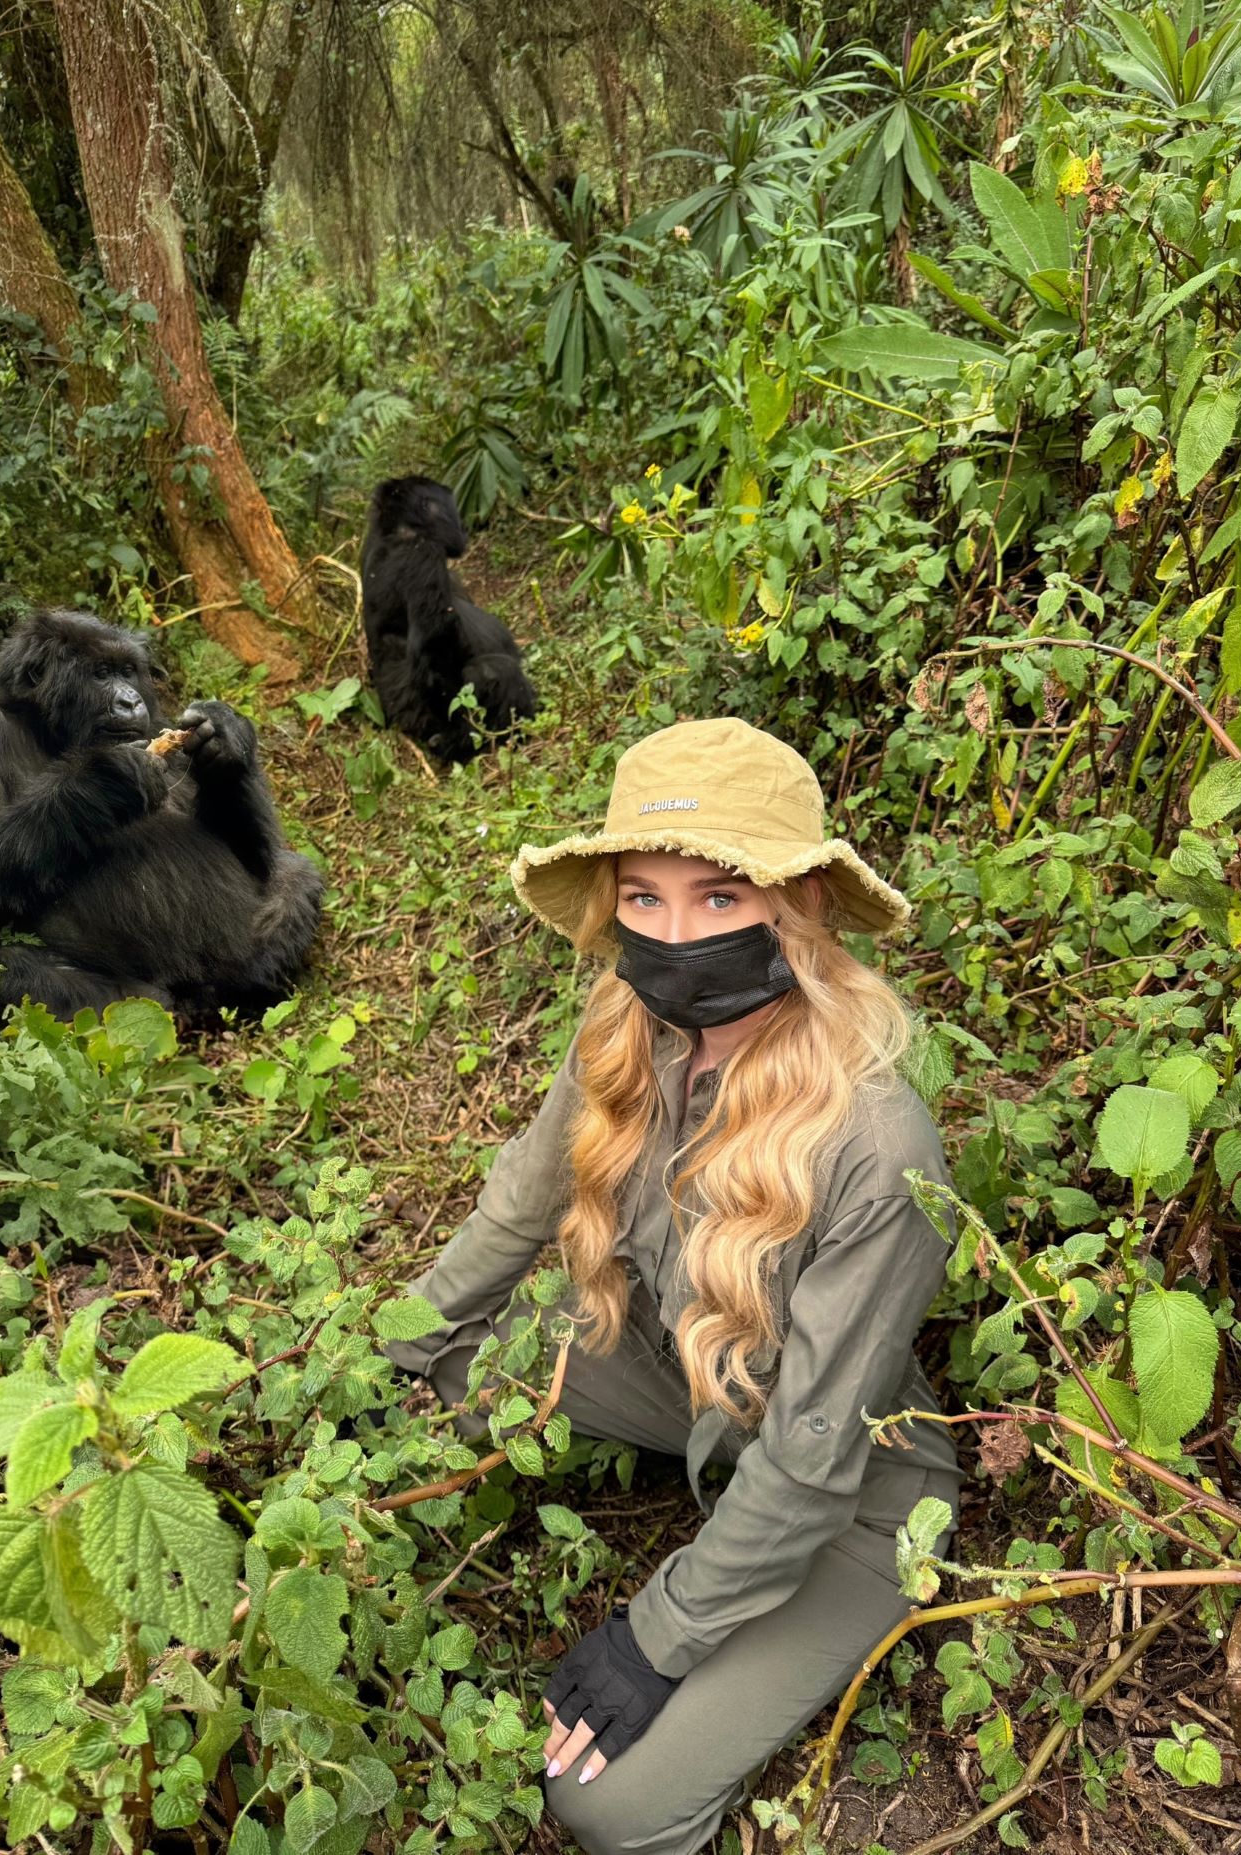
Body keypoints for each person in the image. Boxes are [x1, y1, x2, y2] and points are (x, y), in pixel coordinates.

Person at [381, 717, 962, 1855]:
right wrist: (383, 1359)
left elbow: (810, 1461)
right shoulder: (628, 1026)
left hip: (851, 1488)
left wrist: (655, 1639)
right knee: (451, 1359)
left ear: (798, 906)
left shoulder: (878, 1146)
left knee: (607, 1804)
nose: (674, 936)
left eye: (719, 896)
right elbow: (521, 1202)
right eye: (644, 897)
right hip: (684, 1371)